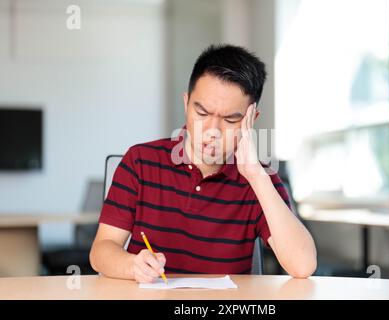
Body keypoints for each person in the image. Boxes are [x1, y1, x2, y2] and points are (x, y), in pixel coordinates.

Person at [89, 44, 316, 283]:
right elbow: (101, 250)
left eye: (230, 119)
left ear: (251, 119)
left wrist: (256, 176)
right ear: (186, 103)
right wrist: (131, 265)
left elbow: (302, 265)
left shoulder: (260, 179)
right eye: (202, 113)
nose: (212, 131)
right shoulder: (140, 162)